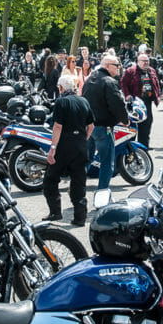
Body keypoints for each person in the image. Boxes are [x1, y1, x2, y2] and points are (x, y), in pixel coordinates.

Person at [42, 76, 94, 226]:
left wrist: (52, 149)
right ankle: (80, 217)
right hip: (80, 145)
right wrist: (83, 138)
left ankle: (55, 212)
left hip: (64, 146)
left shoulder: (61, 102)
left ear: (61, 88)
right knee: (79, 181)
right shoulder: (84, 101)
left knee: (51, 179)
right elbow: (91, 126)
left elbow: (58, 126)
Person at [83, 52, 127, 199]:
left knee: (86, 160)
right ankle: (102, 195)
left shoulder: (90, 79)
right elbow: (117, 104)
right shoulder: (109, 81)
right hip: (103, 127)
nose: (119, 68)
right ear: (108, 66)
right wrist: (125, 119)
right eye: (116, 65)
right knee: (107, 163)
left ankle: (78, 191)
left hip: (89, 126)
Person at [120, 51, 162, 146]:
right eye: (143, 61)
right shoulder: (131, 71)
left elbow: (157, 83)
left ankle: (143, 147)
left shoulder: (152, 71)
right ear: (138, 61)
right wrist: (127, 95)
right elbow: (123, 83)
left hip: (147, 102)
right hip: (134, 102)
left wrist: (158, 95)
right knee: (133, 126)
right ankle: (131, 147)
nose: (146, 63)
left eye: (147, 61)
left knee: (146, 124)